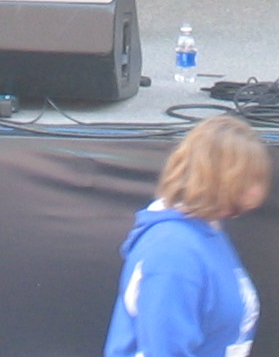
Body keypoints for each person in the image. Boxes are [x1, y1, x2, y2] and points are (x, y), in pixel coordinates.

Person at [106, 114, 268, 357]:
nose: (256, 191)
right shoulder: (173, 252)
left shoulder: (206, 231)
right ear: (219, 179)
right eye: (249, 180)